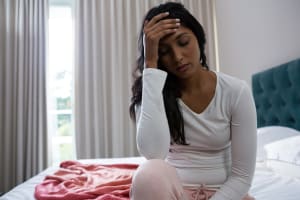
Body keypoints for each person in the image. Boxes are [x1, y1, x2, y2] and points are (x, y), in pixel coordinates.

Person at [129, 2, 257, 200]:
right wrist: (151, 65)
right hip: (174, 192)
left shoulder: (236, 91)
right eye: (164, 52)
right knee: (148, 173)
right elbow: (153, 153)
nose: (178, 57)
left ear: (199, 38)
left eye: (183, 42)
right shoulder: (151, 88)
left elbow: (242, 177)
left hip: (224, 194)